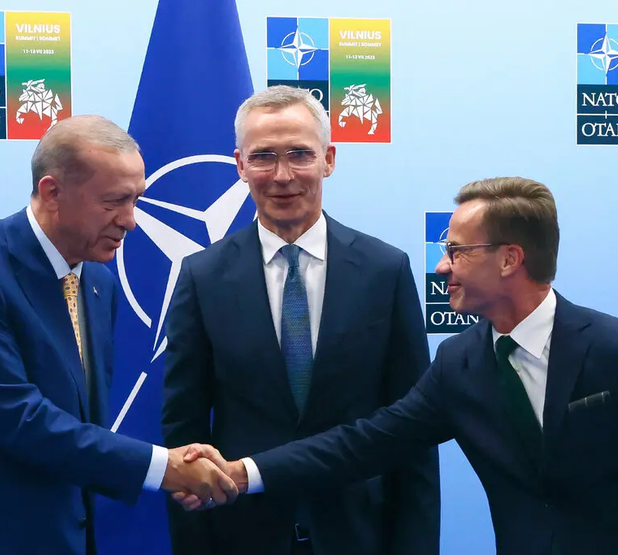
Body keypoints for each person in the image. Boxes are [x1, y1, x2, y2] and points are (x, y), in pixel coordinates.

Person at [182, 177, 618, 555]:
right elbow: (363, 443)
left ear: (509, 259)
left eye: (456, 252)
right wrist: (242, 472)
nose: (441, 267)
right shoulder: (459, 362)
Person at [0, 116, 236, 555]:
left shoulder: (98, 283)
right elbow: (13, 415)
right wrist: (163, 467)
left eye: (136, 200)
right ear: (52, 192)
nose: (131, 221)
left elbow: (82, 421)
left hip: (58, 530)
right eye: (114, 202)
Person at [161, 85, 440, 555]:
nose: (283, 175)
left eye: (300, 154)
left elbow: (412, 431)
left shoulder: (385, 271)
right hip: (242, 536)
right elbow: (185, 436)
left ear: (329, 159)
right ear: (240, 165)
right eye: (264, 157)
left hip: (359, 535)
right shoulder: (202, 276)